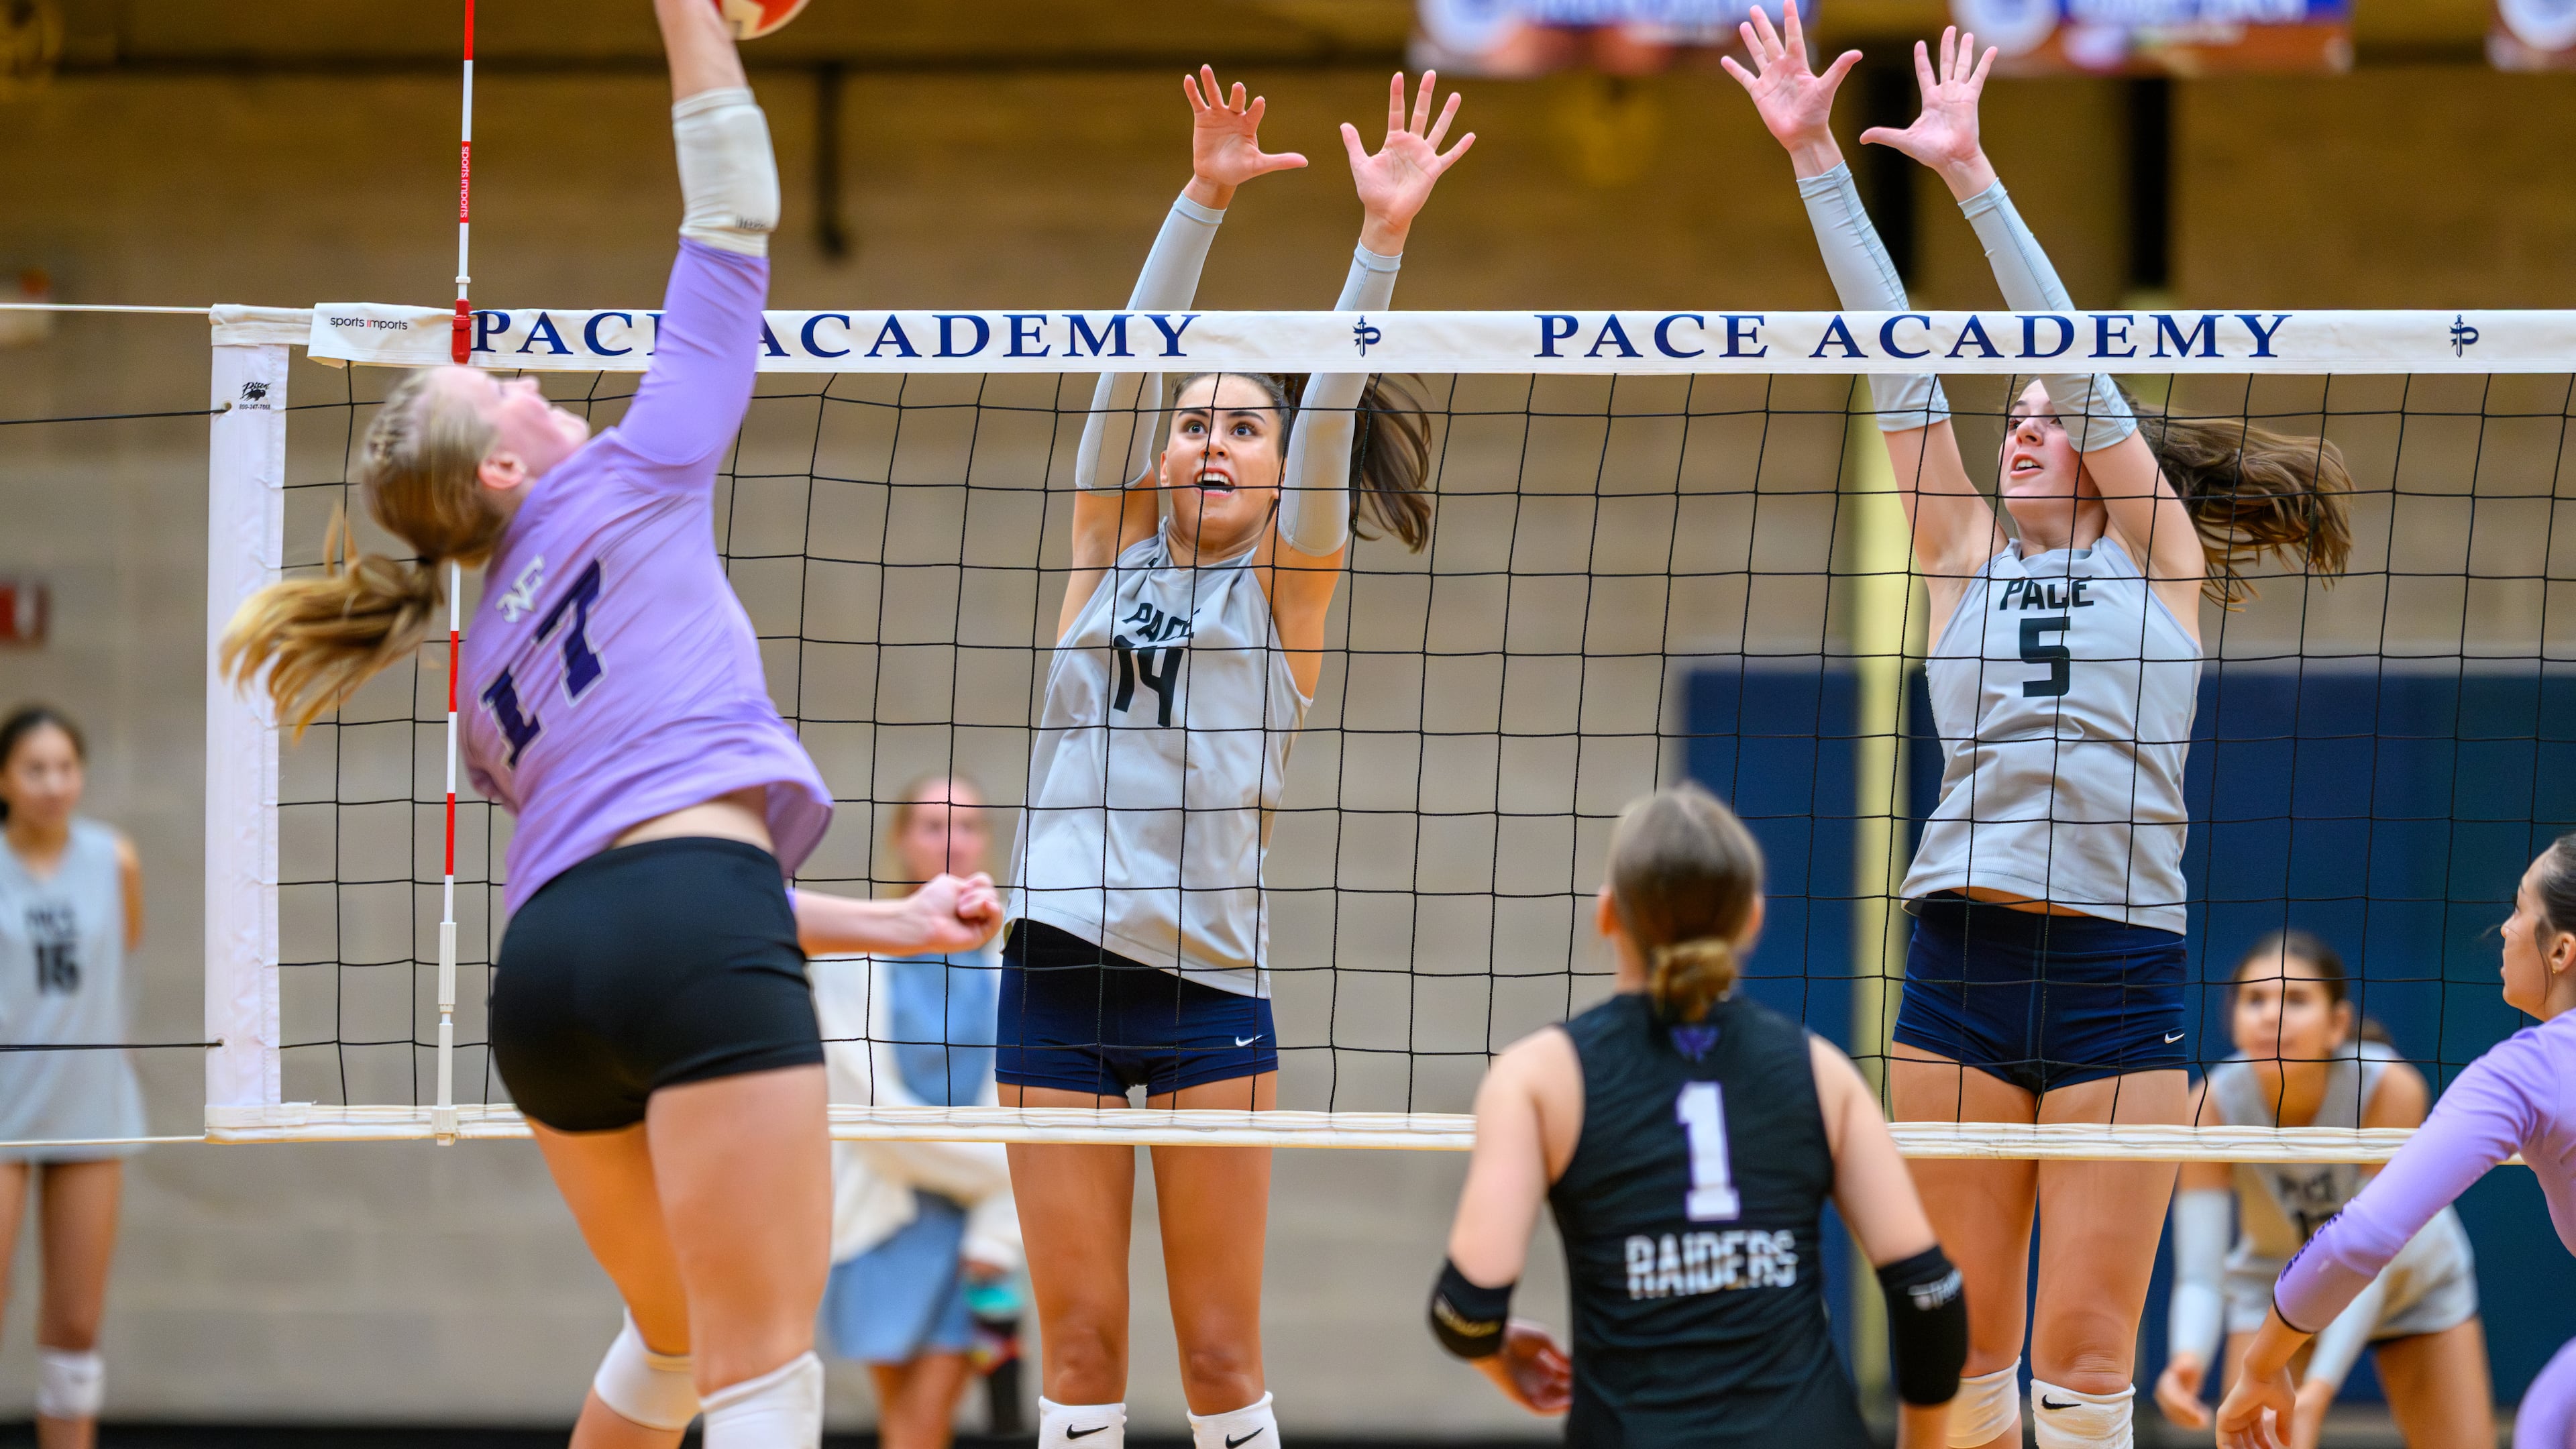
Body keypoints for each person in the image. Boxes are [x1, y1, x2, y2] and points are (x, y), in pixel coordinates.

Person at [219, 5, 1001, 1444]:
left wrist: (892, 931)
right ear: (509, 465)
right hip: (688, 941)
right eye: (499, 388)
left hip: (550, 987)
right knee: (766, 1362)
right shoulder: (638, 470)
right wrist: (687, 15)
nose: (524, 375)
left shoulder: (481, 679)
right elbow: (735, 207)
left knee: (679, 1344)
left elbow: (657, 871)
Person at [1723, 9, 2354, 1446]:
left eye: (2044, 414)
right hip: (1959, 968)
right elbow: (1893, 361)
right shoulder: (1955, 555)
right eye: (2004, 413)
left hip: (2119, 983)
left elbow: (2074, 358)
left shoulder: (2159, 562)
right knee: (1958, 1376)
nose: (2021, 426)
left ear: (2100, 436)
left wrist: (1972, 179)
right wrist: (1818, 155)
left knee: (2082, 1371)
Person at [1000, 64, 1468, 1449]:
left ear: (1277, 467)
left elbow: (1332, 415)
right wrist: (1200, 198)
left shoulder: (1287, 590)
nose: (1213, 439)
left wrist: (1378, 243)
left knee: (1216, 1357)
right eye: (1195, 421)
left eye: (1242, 425)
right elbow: (1126, 359)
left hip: (1211, 990)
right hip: (1053, 982)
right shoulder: (1101, 554)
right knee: (1081, 1350)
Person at [1428, 785, 1966, 1446]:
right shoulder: (1822, 1071)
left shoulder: (1538, 1077)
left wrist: (1498, 1356)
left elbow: (1465, 1310)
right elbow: (1929, 1295)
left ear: (1607, 915)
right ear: (1754, 920)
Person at [2215, 837, 2576, 1449]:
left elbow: (2364, 1235)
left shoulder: (2520, 1075)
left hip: (2408, 1292)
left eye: (2519, 909)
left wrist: (2260, 1364)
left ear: (2562, 950)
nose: (2505, 929)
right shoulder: (2219, 1098)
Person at [2155, 931, 2488, 1449]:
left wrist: (2316, 1392)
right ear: (2234, 1018)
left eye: (2296, 999)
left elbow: (2371, 1254)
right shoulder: (2211, 1106)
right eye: (2256, 999)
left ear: (2337, 1024)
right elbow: (2200, 1272)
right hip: (2274, 1288)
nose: (2272, 1015)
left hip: (2408, 1285)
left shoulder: (2389, 1088)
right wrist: (2187, 1358)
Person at [815, 775, 1024, 1449]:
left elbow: (1017, 1104)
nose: (952, 841)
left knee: (922, 1423)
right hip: (878, 1219)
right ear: (900, 839)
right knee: (904, 1424)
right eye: (933, 825)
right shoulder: (854, 952)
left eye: (967, 826)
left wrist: (999, 1219)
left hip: (976, 1237)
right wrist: (1008, 1171)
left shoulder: (1014, 955)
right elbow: (867, 1117)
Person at [0, 706, 146, 1449]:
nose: (54, 784)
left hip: (90, 1106)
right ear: (4, 778)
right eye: (35, 768)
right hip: (3, 1111)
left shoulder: (113, 858)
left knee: (76, 1322)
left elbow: (125, 950)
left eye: (66, 767)